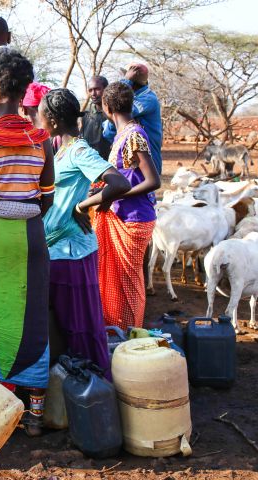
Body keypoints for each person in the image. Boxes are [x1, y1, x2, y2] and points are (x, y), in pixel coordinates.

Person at [0, 48, 54, 437]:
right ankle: (35, 416)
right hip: (32, 235)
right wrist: (27, 215)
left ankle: (1, 409)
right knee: (33, 315)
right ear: (23, 93)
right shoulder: (42, 140)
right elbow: (46, 196)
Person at [39, 89, 130, 377]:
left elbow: (119, 184)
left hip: (71, 252)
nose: (37, 118)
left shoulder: (79, 151)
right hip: (58, 250)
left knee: (81, 325)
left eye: (40, 113)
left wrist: (81, 206)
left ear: (52, 121)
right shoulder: (60, 149)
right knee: (65, 325)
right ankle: (73, 392)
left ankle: (93, 386)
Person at [94, 81, 161, 331]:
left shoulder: (133, 134)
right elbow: (126, 176)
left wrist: (116, 195)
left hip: (134, 218)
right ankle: (117, 331)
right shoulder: (125, 134)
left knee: (129, 282)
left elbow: (153, 180)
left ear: (107, 107)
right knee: (118, 281)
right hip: (125, 214)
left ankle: (129, 333)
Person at [104, 64, 163, 173]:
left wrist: (125, 81)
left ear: (132, 81)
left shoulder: (148, 98)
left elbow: (121, 109)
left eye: (125, 76)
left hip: (147, 162)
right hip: (131, 161)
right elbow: (108, 133)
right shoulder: (133, 98)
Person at [80, 75, 111, 160]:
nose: (93, 93)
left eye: (97, 89)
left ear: (106, 89)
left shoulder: (114, 114)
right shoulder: (85, 116)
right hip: (92, 164)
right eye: (90, 90)